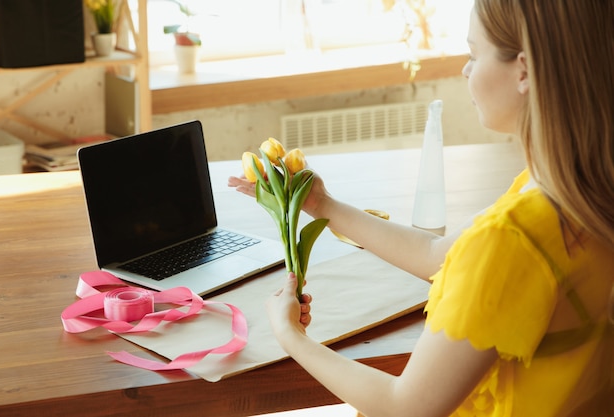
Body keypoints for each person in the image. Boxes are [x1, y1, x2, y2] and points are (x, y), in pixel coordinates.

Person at [228, 1, 614, 415]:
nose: (465, 71)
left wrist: (291, 337)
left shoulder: (512, 236)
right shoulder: (575, 191)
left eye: (473, 54)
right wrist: (324, 205)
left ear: (524, 71)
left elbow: (406, 408)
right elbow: (439, 255)